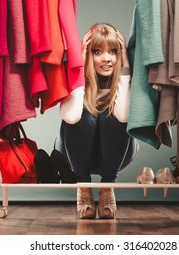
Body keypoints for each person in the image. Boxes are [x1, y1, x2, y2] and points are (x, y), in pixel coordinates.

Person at [54, 23, 138, 219]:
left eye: (113, 51)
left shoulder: (126, 80)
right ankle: (83, 187)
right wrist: (79, 71)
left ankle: (107, 187)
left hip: (116, 155)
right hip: (75, 154)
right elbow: (72, 117)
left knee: (113, 115)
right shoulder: (73, 78)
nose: (106, 58)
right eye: (97, 52)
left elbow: (124, 117)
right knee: (83, 115)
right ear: (88, 55)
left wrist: (125, 68)